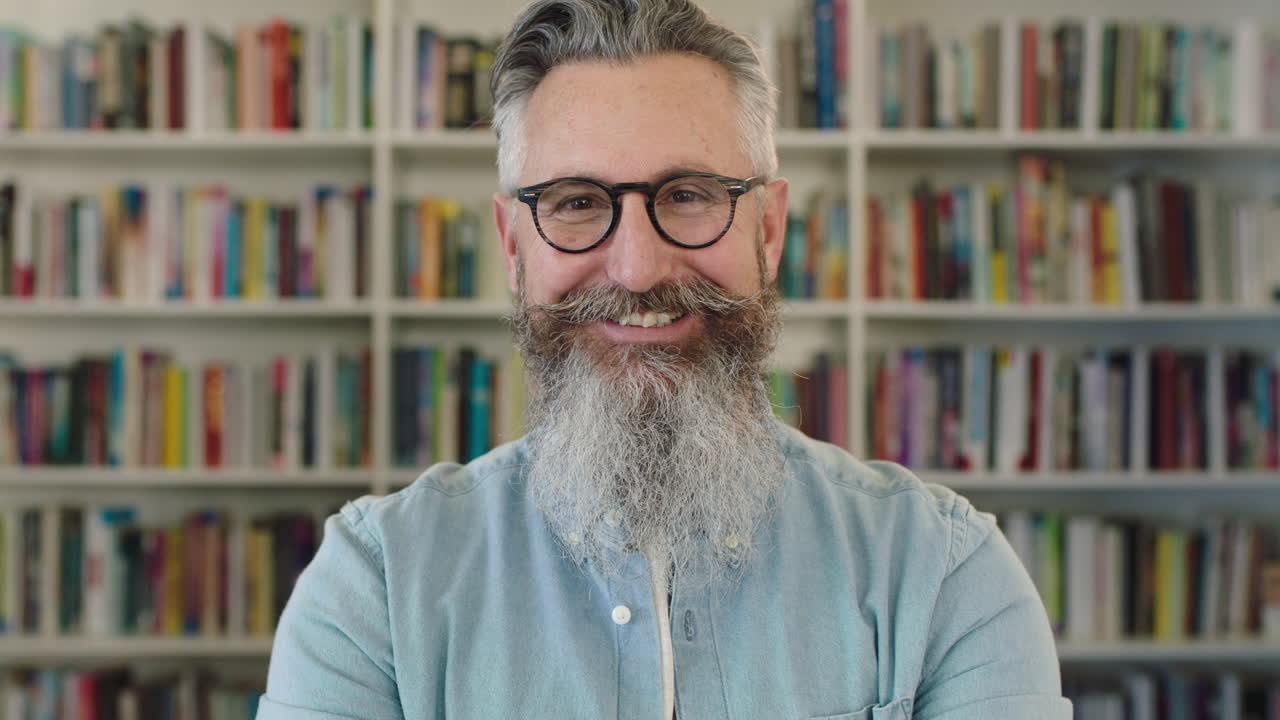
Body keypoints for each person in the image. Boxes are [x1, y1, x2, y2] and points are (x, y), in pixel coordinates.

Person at [256, 1, 1073, 718]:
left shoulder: (942, 577)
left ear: (769, 232)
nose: (638, 268)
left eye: (688, 195)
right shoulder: (374, 589)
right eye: (577, 203)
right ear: (512, 246)